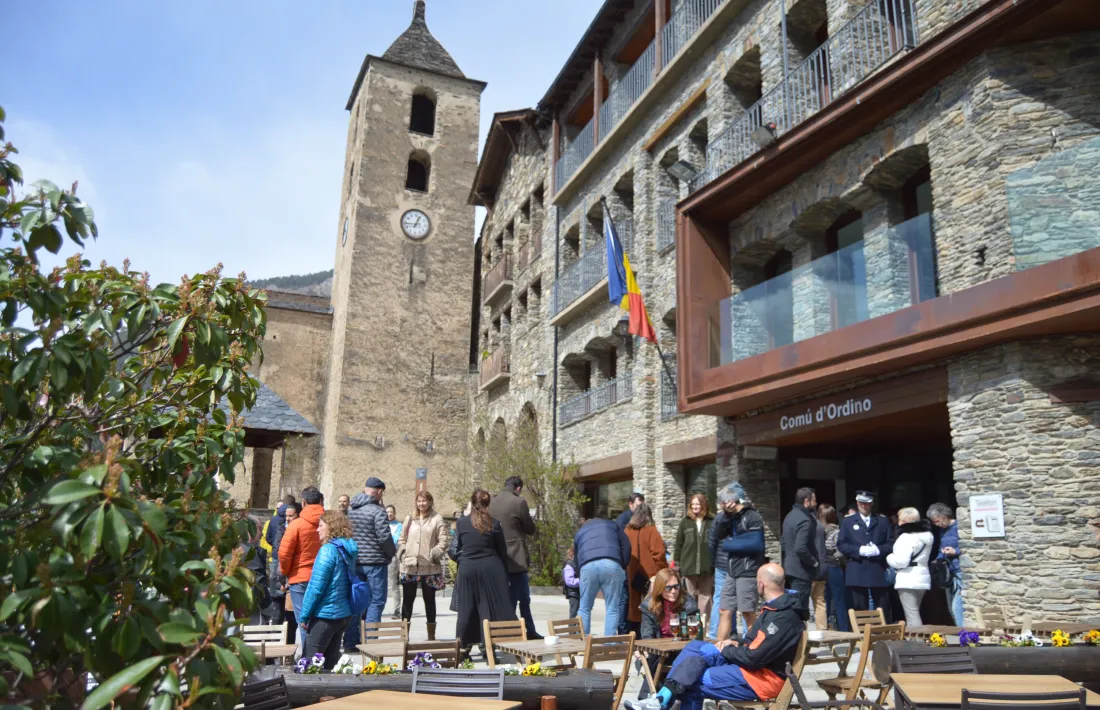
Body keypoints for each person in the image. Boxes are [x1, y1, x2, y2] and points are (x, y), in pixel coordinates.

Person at [625, 563, 807, 710]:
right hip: (749, 668)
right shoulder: (777, 609)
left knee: (692, 678)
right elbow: (758, 643)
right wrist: (736, 642)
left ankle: (660, 700)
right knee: (696, 649)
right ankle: (659, 700)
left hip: (760, 679)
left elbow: (754, 657)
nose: (673, 591)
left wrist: (728, 649)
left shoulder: (782, 616)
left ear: (761, 584)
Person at [453, 489, 516, 650]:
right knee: (487, 609)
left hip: (468, 568)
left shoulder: (461, 523)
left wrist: (464, 559)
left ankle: (462, 647)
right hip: (491, 568)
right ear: (488, 504)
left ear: (472, 503)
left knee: (465, 609)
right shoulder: (494, 524)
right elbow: (502, 550)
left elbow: (456, 548)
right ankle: (487, 646)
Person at [299, 511, 358, 670]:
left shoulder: (328, 550)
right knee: (330, 665)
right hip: (342, 614)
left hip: (325, 614)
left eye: (321, 526)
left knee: (309, 665)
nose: (317, 530)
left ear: (331, 527)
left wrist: (304, 614)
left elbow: (316, 588)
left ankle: (309, 695)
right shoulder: (347, 548)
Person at [345, 477, 397, 652]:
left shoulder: (351, 511)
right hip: (375, 563)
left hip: (355, 562)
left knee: (355, 601)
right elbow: (384, 537)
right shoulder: (377, 511)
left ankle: (350, 642)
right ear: (379, 491)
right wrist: (391, 553)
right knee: (376, 601)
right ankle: (370, 642)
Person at [488, 476, 541, 639]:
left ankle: (528, 630)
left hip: (497, 556)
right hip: (516, 556)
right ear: (518, 488)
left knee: (516, 596)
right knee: (518, 597)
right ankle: (510, 631)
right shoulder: (519, 502)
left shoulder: (491, 502)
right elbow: (530, 528)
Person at [635, 568, 699, 699]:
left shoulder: (689, 604)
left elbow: (695, 636)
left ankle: (649, 699)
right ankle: (652, 698)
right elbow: (648, 637)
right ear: (659, 588)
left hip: (682, 651)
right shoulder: (649, 607)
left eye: (676, 587)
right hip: (660, 652)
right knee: (653, 657)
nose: (673, 591)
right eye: (668, 588)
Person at [712, 483, 764, 641]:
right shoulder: (730, 517)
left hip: (747, 570)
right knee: (724, 609)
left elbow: (757, 544)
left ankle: (754, 646)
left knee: (747, 611)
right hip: (732, 570)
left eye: (725, 502)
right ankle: (718, 647)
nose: (723, 505)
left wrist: (733, 542)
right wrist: (725, 515)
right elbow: (718, 534)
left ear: (733, 500)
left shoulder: (752, 516)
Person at [398, 490, 448, 640]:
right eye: (419, 501)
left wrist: (437, 551)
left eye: (424, 501)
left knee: (429, 600)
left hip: (429, 565)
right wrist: (403, 550)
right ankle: (404, 635)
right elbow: (402, 538)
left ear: (430, 502)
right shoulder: (410, 518)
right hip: (410, 565)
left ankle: (431, 634)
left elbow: (444, 540)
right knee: (407, 600)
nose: (421, 504)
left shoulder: (437, 519)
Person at [837, 491, 894, 621]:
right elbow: (841, 544)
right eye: (861, 503)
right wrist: (859, 550)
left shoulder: (882, 521)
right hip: (857, 567)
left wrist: (878, 550)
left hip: (877, 568)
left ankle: (883, 633)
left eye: (867, 503)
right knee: (858, 606)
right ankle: (861, 635)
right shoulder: (848, 521)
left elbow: (890, 543)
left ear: (872, 503)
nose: (864, 506)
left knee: (882, 605)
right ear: (857, 503)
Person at [278, 487, 324, 649]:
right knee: (321, 619)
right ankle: (320, 657)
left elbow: (284, 553)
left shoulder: (296, 525)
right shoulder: (329, 523)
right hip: (324, 576)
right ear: (320, 501)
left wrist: (286, 572)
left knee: (303, 621)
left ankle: (308, 659)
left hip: (300, 577)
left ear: (303, 502)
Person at [574, 516, 632, 635]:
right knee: (612, 608)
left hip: (587, 565)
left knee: (584, 608)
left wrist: (581, 574)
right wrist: (622, 566)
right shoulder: (612, 525)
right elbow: (627, 546)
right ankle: (610, 645)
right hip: (611, 563)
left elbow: (576, 556)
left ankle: (582, 645)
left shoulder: (580, 532)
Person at [626, 503, 669, 634]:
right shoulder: (652, 530)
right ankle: (649, 633)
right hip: (651, 574)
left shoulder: (627, 531)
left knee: (633, 605)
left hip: (631, 572)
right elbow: (659, 553)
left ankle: (633, 634)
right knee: (651, 604)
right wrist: (663, 570)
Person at [887, 507, 933, 627]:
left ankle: (916, 643)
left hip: (907, 578)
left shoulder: (906, 538)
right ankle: (915, 640)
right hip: (922, 576)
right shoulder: (927, 536)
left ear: (905, 522)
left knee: (912, 615)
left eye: (900, 520)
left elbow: (901, 562)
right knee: (915, 611)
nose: (898, 522)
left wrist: (889, 557)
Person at [674, 494, 714, 624]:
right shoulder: (685, 522)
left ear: (704, 505)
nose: (695, 506)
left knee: (705, 597)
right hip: (689, 565)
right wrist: (676, 564)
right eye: (693, 504)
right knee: (689, 597)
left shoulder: (711, 521)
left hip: (707, 566)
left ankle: (702, 624)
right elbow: (678, 543)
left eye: (698, 504)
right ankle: (691, 624)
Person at [781, 487, 821, 615]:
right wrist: (814, 562)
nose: (816, 503)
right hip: (802, 571)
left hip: (789, 569)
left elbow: (783, 543)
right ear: (806, 501)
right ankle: (799, 635)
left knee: (793, 606)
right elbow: (801, 548)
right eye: (814, 500)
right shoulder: (805, 520)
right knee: (800, 609)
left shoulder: (789, 516)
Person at [265, 502, 300, 627]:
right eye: (286, 516)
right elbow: (275, 543)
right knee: (277, 603)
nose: (288, 519)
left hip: (291, 570)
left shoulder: (298, 529)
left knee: (290, 608)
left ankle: (290, 639)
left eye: (291, 516)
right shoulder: (281, 526)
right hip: (279, 566)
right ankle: (275, 633)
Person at [927, 502, 962, 626]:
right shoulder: (943, 530)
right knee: (950, 608)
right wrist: (937, 560)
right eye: (934, 522)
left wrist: (956, 551)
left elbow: (969, 548)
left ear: (944, 516)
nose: (937, 524)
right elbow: (941, 549)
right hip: (949, 573)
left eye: (937, 521)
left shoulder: (959, 527)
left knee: (957, 607)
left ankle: (965, 636)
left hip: (959, 572)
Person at [819, 504, 848, 631]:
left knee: (823, 601)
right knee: (839, 600)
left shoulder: (817, 530)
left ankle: (824, 627)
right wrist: (835, 558)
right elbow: (841, 551)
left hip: (821, 567)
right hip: (834, 567)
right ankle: (843, 628)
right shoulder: (837, 531)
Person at [242, 516, 271, 626]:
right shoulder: (249, 553)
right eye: (260, 529)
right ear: (250, 530)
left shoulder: (235, 548)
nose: (262, 534)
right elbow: (259, 584)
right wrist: (268, 608)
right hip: (251, 610)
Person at [810, 503, 828, 630]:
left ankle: (803, 637)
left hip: (810, 568)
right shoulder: (820, 526)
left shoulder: (806, 524)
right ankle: (822, 632)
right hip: (822, 568)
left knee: (803, 602)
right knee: (820, 602)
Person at [386, 504, 403, 619]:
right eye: (387, 512)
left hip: (393, 557)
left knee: (394, 585)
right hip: (381, 557)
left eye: (391, 512)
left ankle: (397, 610)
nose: (389, 514)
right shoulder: (381, 524)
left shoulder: (399, 526)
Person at [562, 546, 580, 620]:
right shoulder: (569, 565)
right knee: (573, 613)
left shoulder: (576, 564)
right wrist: (582, 580)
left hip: (578, 592)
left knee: (579, 614)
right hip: (573, 594)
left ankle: (578, 630)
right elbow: (569, 581)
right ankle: (572, 631)